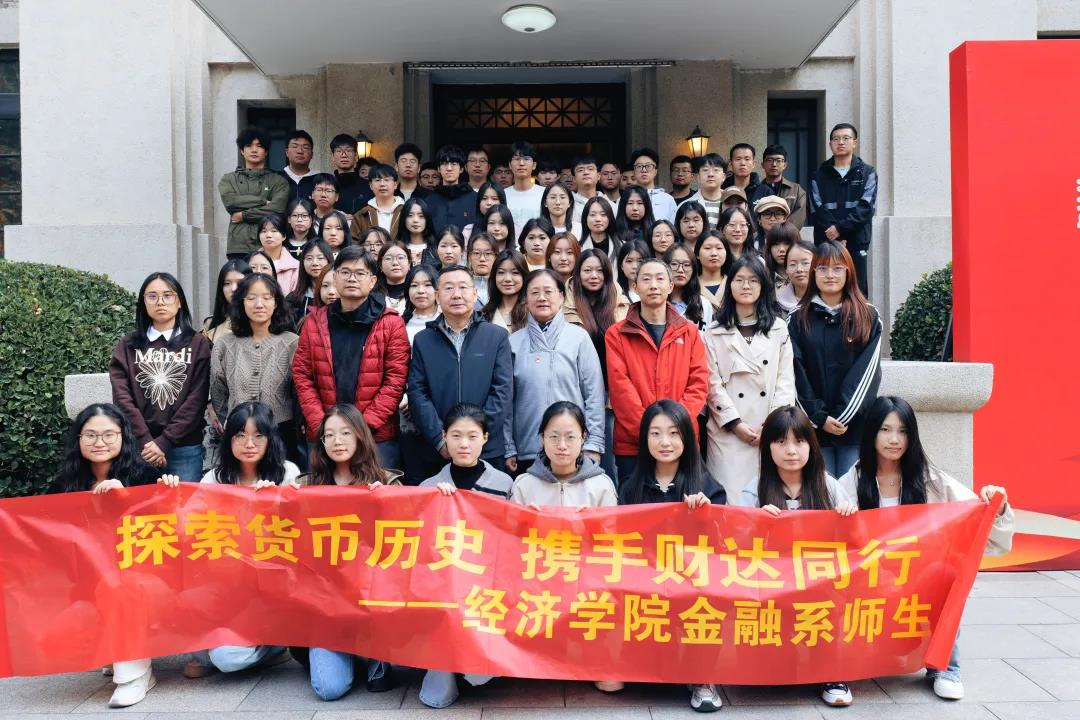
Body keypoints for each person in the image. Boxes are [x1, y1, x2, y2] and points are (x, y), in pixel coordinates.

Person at [839, 395, 1013, 702]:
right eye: (885, 430)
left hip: (918, 578)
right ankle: (840, 668)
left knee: (947, 573)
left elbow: (974, 517)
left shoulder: (931, 480)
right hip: (869, 578)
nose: (894, 439)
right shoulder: (853, 479)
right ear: (872, 433)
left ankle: (945, 667)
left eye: (903, 431)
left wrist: (995, 505)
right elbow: (826, 534)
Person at [52, 403, 178, 708]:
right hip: (88, 591)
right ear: (78, 439)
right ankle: (114, 649)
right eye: (91, 435)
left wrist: (129, 500)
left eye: (109, 434)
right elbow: (54, 543)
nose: (100, 442)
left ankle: (135, 676)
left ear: (123, 437)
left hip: (149, 587)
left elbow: (168, 539)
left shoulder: (146, 477)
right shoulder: (65, 485)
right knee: (57, 629)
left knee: (119, 585)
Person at [738, 405, 857, 706]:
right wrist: (755, 523)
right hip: (771, 583)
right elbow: (736, 548)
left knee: (834, 603)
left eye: (799, 441)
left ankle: (833, 674)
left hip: (819, 581)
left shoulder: (828, 486)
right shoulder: (754, 490)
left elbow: (855, 542)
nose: (791, 450)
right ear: (767, 448)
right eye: (781, 442)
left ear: (811, 445)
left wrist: (847, 516)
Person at [617, 399, 726, 712]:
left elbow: (722, 548)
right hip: (645, 578)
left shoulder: (707, 486)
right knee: (615, 684)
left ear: (687, 438)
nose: (665, 442)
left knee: (707, 600)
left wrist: (706, 517)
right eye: (655, 433)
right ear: (644, 439)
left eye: (674, 433)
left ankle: (703, 679)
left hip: (692, 580)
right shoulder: (631, 487)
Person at [179, 402, 298, 677]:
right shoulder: (214, 478)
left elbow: (301, 528)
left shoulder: (287, 473)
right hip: (225, 583)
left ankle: (274, 647)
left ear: (270, 439)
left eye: (258, 436)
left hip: (270, 587)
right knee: (189, 621)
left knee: (225, 659)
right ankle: (234, 642)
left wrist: (275, 502)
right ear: (229, 439)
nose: (249, 444)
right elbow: (186, 526)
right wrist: (170, 493)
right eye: (240, 435)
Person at [299, 403, 399, 698]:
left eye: (345, 433)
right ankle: (336, 653)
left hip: (372, 599)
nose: (337, 441)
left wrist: (389, 503)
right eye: (329, 435)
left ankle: (376, 653)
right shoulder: (306, 485)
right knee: (329, 688)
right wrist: (270, 495)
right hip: (325, 604)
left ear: (360, 435)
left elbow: (409, 537)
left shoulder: (386, 482)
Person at [417, 404, 513, 708]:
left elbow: (513, 542)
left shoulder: (504, 484)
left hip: (487, 587)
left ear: (485, 438)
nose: (464, 444)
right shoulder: (428, 487)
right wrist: (436, 504)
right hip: (444, 589)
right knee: (436, 698)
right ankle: (446, 666)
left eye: (472, 436)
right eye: (456, 436)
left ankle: (465, 667)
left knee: (479, 675)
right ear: (444, 436)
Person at [293, 247, 411, 470]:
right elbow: (302, 376)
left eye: (360, 273)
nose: (352, 278)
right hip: (324, 436)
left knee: (377, 491)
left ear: (373, 281)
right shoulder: (314, 322)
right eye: (345, 272)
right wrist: (324, 427)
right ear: (335, 276)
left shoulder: (391, 323)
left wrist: (361, 429)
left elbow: (395, 381)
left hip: (376, 436)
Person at [606, 258, 709, 479]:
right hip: (633, 444)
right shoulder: (616, 334)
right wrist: (650, 434)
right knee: (635, 500)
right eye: (646, 279)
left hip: (682, 441)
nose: (653, 285)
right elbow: (620, 389)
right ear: (635, 287)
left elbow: (698, 385)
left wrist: (674, 431)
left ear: (670, 286)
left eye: (660, 279)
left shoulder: (689, 332)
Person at [407, 265, 513, 480]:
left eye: (463, 287)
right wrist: (441, 439)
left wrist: (475, 437)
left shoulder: (497, 336)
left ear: (474, 294)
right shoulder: (423, 340)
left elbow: (502, 391)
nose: (456, 294)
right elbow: (418, 393)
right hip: (438, 451)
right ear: (437, 296)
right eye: (448, 288)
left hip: (487, 449)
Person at [703, 256, 796, 498]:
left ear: (763, 285)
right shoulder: (713, 331)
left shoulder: (778, 328)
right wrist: (735, 424)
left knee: (768, 500)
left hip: (769, 430)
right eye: (740, 280)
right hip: (727, 433)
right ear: (729, 284)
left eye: (753, 280)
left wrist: (771, 425)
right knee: (730, 502)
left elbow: (785, 381)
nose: (746, 286)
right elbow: (711, 383)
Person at [789, 240, 882, 478]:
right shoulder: (797, 318)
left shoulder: (868, 316)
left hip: (853, 429)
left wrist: (842, 416)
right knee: (821, 492)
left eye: (837, 268)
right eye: (822, 268)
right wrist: (819, 417)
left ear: (849, 272)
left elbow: (867, 373)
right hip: (813, 428)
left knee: (852, 493)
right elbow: (795, 371)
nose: (830, 275)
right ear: (813, 273)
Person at [110, 272, 210, 481]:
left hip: (184, 448)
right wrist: (146, 441)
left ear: (179, 302)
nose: (160, 302)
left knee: (183, 503)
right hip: (140, 447)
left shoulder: (197, 343)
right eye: (152, 296)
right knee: (142, 503)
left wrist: (165, 441)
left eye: (168, 295)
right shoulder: (127, 346)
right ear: (143, 302)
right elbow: (122, 398)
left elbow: (197, 398)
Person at [505, 271, 605, 475]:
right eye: (534, 292)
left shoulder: (579, 338)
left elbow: (594, 395)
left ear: (561, 297)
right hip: (527, 448)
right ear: (526, 299)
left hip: (572, 449)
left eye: (548, 291)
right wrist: (508, 446)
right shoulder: (513, 342)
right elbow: (506, 402)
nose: (541, 297)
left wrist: (593, 443)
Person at [210, 273, 300, 464]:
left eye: (267, 298)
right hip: (239, 434)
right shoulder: (225, 345)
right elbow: (218, 391)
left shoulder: (292, 343)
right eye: (251, 298)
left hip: (282, 433)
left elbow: (299, 391)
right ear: (241, 303)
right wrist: (234, 421)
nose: (259, 304)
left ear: (276, 303)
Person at [564, 249, 630, 480]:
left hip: (611, 394)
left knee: (608, 460)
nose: (593, 276)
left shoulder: (620, 304)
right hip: (575, 390)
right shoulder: (565, 306)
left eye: (599, 270)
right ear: (577, 273)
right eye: (587, 270)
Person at [809, 123, 878, 296]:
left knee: (856, 292)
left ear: (855, 142)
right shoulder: (819, 174)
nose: (840, 142)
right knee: (826, 289)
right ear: (830, 144)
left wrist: (840, 229)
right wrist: (835, 236)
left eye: (846, 138)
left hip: (856, 242)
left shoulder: (867, 173)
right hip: (826, 242)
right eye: (836, 139)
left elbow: (866, 208)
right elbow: (816, 208)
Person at [219, 128, 290, 258]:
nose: (254, 150)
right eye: (249, 146)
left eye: (259, 146)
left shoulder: (278, 181)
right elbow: (231, 202)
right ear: (242, 151)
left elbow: (277, 209)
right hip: (239, 245)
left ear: (266, 151)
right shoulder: (229, 179)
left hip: (270, 245)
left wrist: (243, 215)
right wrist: (263, 201)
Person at [662, 243, 712, 330]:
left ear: (693, 269)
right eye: (674, 264)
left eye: (686, 265)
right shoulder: (654, 302)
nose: (680, 270)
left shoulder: (704, 304)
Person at [427, 144, 475, 232]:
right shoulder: (429, 200)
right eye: (444, 164)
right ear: (439, 169)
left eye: (454, 164)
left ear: (461, 169)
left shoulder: (474, 199)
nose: (449, 168)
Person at [757, 144, 807, 227]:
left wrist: (780, 232)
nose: (774, 164)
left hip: (788, 235)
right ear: (763, 165)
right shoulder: (756, 190)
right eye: (769, 160)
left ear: (785, 165)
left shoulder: (797, 190)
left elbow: (798, 219)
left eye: (779, 160)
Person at [202, 259, 251, 342]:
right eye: (227, 283)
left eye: (240, 282)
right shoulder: (210, 324)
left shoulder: (261, 320)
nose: (234, 288)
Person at [352, 164, 404, 239]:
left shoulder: (406, 211)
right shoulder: (362, 214)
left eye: (387, 180)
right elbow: (354, 242)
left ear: (395, 184)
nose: (382, 184)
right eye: (377, 180)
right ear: (371, 185)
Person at [482, 248, 528, 333]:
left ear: (524, 277)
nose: (507, 279)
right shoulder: (485, 314)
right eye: (501, 272)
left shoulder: (533, 312)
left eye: (515, 273)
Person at [287, 239, 334, 321]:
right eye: (309, 258)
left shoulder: (337, 296)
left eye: (320, 258)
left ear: (329, 260)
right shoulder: (293, 299)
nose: (314, 263)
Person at [504, 140, 546, 229]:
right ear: (510, 165)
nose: (521, 163)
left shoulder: (545, 193)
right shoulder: (502, 194)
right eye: (517, 159)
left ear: (534, 165)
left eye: (526, 159)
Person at [329, 133, 373, 216]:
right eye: (339, 151)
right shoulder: (327, 187)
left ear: (356, 156)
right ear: (333, 157)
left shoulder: (369, 187)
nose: (344, 155)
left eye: (348, 151)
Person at [257, 214, 300, 295]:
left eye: (274, 231)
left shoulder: (295, 267)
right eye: (264, 231)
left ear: (284, 236)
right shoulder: (250, 263)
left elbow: (295, 298)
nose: (268, 235)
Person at [630, 147, 677, 221]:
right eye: (639, 166)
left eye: (648, 166)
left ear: (655, 171)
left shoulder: (668, 200)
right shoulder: (626, 198)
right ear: (633, 172)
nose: (644, 170)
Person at [686, 152, 727, 229]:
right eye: (705, 170)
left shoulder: (734, 202)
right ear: (697, 177)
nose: (710, 174)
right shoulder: (685, 205)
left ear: (723, 177)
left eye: (716, 170)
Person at [402, 264, 441, 343]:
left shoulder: (448, 320)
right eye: (414, 285)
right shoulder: (401, 323)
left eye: (427, 285)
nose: (420, 291)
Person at [396, 196, 438, 266]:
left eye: (421, 216)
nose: (415, 220)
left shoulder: (437, 250)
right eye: (410, 215)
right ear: (404, 219)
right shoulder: (396, 249)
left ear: (427, 219)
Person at [580, 196, 622, 265]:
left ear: (609, 217)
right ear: (585, 218)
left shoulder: (621, 246)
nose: (598, 219)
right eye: (593, 215)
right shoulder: (578, 248)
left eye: (603, 214)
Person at [278, 130, 318, 203]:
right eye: (294, 146)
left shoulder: (320, 180)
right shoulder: (276, 179)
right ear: (287, 152)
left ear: (312, 154)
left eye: (305, 147)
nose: (300, 151)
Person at [695, 229, 732, 307]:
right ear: (697, 254)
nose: (714, 253)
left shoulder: (733, 284)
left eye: (719, 248)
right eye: (707, 248)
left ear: (726, 253)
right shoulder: (691, 285)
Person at [778, 237, 815, 313]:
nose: (799, 269)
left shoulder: (830, 300)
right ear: (786, 269)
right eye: (793, 264)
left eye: (805, 263)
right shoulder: (777, 303)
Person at [375, 240, 412, 314]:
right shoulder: (372, 294)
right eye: (388, 258)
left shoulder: (416, 291)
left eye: (400, 258)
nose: (395, 263)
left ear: (409, 263)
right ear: (380, 265)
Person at [763, 220, 797, 292]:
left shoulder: (808, 278)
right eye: (776, 244)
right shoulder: (761, 277)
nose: (781, 249)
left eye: (787, 243)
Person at [466, 232, 497, 305]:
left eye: (488, 253)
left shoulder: (502, 284)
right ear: (469, 257)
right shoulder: (462, 283)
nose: (482, 259)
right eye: (476, 253)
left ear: (496, 257)